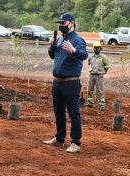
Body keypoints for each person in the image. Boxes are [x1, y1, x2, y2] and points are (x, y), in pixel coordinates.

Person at [43, 12, 88, 153]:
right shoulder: (60, 38)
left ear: (71, 23)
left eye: (64, 23)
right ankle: (59, 138)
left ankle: (75, 142)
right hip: (57, 82)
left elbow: (84, 55)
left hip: (71, 82)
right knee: (58, 111)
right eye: (60, 23)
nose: (61, 25)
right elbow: (53, 56)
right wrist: (51, 46)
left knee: (73, 113)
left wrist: (73, 50)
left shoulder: (78, 39)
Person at [87, 41, 110, 111]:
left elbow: (107, 66)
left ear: (100, 48)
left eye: (98, 48)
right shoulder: (90, 57)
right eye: (95, 48)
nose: (96, 49)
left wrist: (102, 72)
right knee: (89, 90)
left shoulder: (103, 57)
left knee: (100, 90)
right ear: (93, 49)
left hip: (99, 76)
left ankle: (102, 105)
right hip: (91, 75)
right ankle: (90, 103)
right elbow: (89, 64)